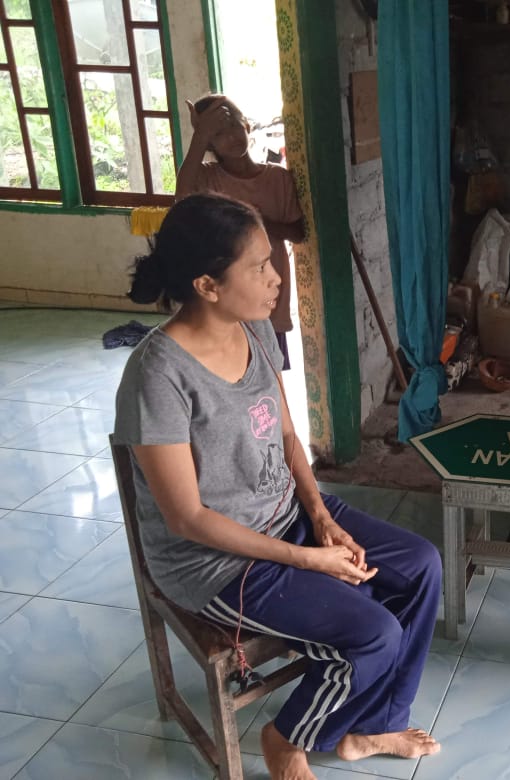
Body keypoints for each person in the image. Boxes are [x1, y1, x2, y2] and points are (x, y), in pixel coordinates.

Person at [113, 194, 442, 780]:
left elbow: (287, 434)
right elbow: (187, 518)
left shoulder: (258, 329)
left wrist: (321, 517)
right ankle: (287, 738)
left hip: (286, 518)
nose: (276, 278)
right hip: (214, 563)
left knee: (420, 565)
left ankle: (371, 726)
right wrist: (310, 560)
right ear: (208, 285)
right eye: (260, 266)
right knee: (374, 634)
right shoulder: (156, 375)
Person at [175, 93, 304, 370]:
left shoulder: (278, 178)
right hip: (227, 302)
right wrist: (200, 136)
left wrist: (257, 223)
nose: (231, 137)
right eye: (218, 134)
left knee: (270, 372)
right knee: (233, 374)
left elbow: (298, 232)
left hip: (269, 296)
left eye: (233, 125)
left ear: (246, 125)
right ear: (209, 144)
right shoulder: (208, 178)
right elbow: (181, 200)